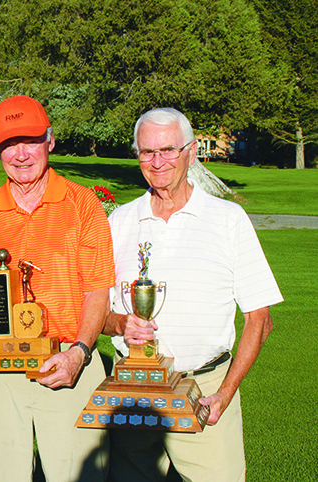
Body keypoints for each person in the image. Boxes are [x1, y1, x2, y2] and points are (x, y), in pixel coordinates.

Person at [103, 108, 283, 482]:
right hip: (135, 390)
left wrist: (226, 392)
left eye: (168, 150)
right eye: (147, 152)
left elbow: (259, 320)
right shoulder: (120, 221)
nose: (158, 162)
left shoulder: (228, 219)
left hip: (206, 390)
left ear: (191, 152)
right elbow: (99, 313)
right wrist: (121, 323)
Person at [0, 95, 115, 481]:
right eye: (8, 144)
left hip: (68, 361)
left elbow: (97, 291)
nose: (20, 154)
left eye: (30, 141)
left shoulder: (83, 204)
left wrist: (80, 354)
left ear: (50, 141)